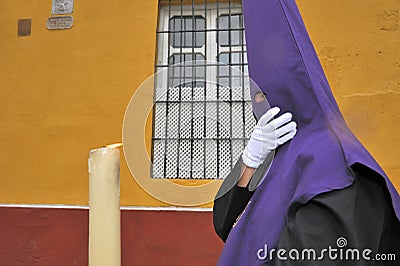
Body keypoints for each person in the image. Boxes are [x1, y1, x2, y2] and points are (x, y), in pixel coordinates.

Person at [213, 0, 400, 265]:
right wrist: (250, 160)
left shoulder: (333, 171)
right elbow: (223, 221)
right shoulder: (278, 151)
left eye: (264, 94)